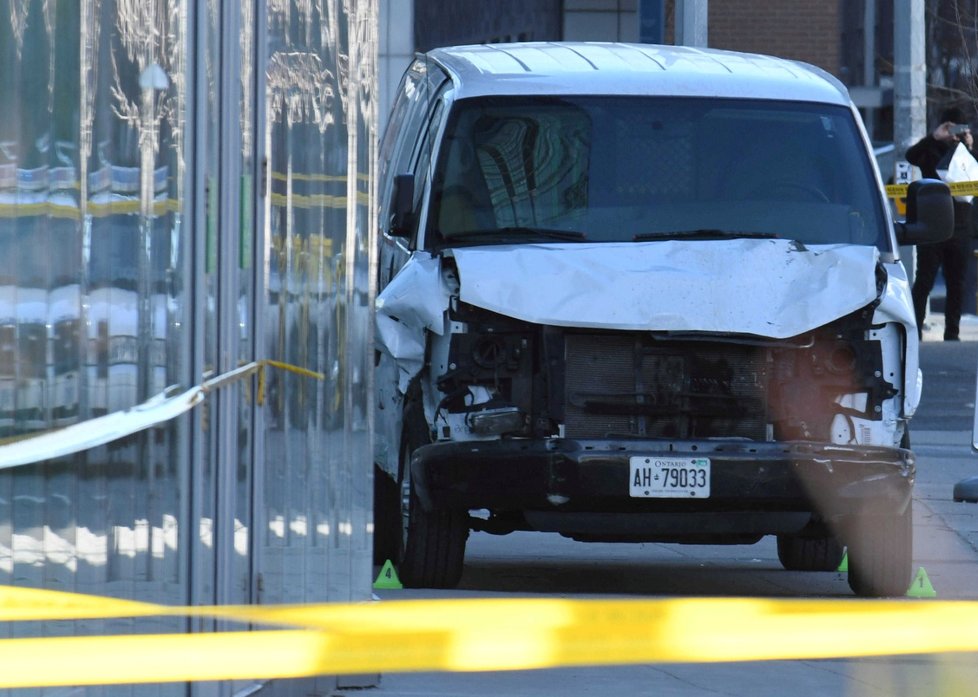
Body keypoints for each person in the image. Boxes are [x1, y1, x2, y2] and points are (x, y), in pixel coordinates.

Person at [907, 107, 975, 341]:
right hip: (932, 226)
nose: (954, 132)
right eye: (950, 126)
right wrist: (934, 137)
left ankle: (952, 333)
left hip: (961, 228)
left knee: (957, 283)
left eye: (959, 127)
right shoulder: (930, 149)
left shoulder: (966, 153)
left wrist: (968, 146)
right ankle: (914, 331)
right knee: (924, 280)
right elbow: (911, 156)